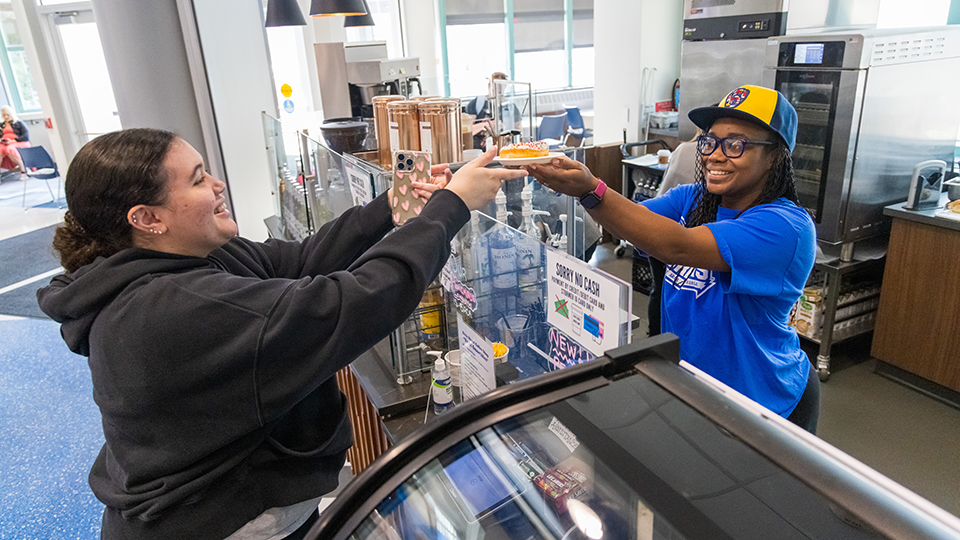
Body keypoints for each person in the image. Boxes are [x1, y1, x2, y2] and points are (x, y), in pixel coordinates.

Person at [37, 128, 526, 539]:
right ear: (147, 218)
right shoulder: (172, 310)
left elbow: (298, 261)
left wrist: (397, 203)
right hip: (220, 522)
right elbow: (358, 301)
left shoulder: (183, 259)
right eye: (198, 179)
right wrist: (452, 206)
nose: (218, 183)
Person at [525, 85, 820, 433]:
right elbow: (635, 224)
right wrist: (578, 190)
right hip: (695, 388)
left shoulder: (785, 227)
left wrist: (593, 189)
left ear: (774, 156)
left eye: (736, 144)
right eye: (710, 141)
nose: (715, 155)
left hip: (761, 402)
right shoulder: (695, 198)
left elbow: (676, 246)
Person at [0, 105, 30, 174]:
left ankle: (23, 169)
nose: (6, 117)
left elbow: (25, 136)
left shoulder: (19, 123)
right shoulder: (1, 125)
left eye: (7, 115)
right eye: (4, 115)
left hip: (18, 142)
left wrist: (13, 140)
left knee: (10, 149)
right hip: (4, 143)